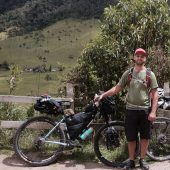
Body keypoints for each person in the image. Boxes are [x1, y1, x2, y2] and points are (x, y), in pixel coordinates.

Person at [97, 48, 158, 170]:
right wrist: (103, 95)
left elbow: (155, 94)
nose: (140, 58)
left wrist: (153, 112)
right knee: (131, 137)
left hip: (145, 110)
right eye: (138, 55)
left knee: (145, 137)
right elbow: (117, 88)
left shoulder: (150, 74)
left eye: (142, 56)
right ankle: (131, 161)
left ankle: (142, 160)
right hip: (130, 110)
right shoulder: (128, 74)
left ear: (145, 59)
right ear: (134, 57)